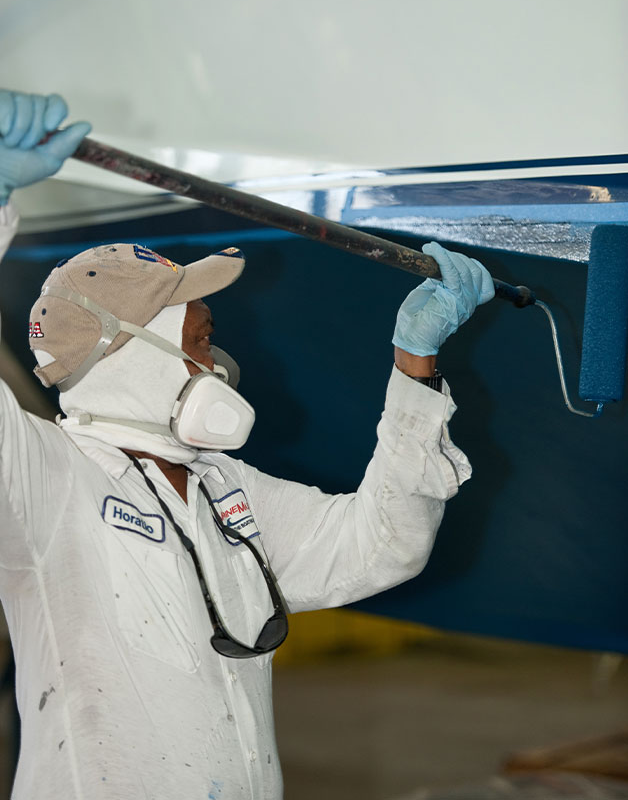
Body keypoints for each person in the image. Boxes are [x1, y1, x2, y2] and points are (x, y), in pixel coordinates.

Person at [0, 89, 494, 800]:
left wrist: (414, 366)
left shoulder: (224, 488)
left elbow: (381, 545)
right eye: (200, 340)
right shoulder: (47, 478)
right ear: (129, 353)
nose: (217, 364)